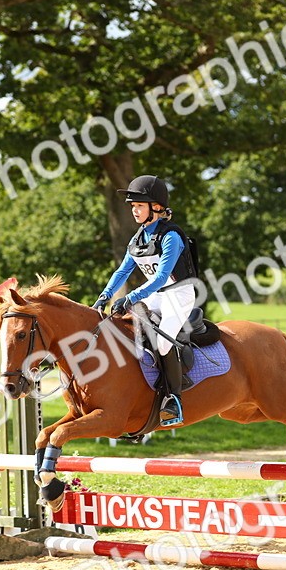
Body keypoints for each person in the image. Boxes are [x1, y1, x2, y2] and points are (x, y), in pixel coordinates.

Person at [92, 175, 199, 427]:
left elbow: (162, 277)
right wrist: (105, 295)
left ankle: (174, 399)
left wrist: (130, 297)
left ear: (156, 207)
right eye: (132, 206)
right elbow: (122, 272)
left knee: (162, 343)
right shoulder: (138, 238)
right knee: (123, 327)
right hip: (154, 295)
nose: (134, 211)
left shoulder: (171, 236)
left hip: (179, 293)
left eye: (139, 206)